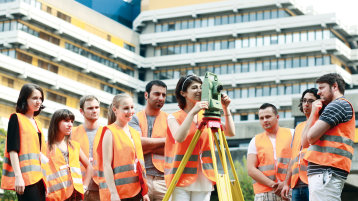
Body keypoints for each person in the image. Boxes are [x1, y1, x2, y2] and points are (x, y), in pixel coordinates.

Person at [165, 74, 235, 201]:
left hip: (204, 178)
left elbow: (230, 132)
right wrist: (192, 112)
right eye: (194, 88)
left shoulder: (207, 116)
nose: (199, 90)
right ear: (183, 93)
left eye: (201, 87)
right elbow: (179, 138)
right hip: (180, 178)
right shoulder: (173, 117)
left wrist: (226, 109)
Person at [301, 73, 355, 201]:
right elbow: (305, 143)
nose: (318, 93)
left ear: (334, 86)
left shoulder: (338, 105)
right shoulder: (331, 108)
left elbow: (311, 137)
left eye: (321, 88)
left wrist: (314, 112)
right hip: (325, 173)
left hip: (326, 172)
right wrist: (314, 113)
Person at [97, 93, 150, 201]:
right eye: (126, 108)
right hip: (118, 194)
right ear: (115, 109)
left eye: (132, 107)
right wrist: (113, 193)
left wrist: (144, 192)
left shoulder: (135, 133)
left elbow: (139, 164)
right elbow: (106, 165)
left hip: (136, 192)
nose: (130, 111)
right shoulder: (109, 132)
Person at [1, 83, 47, 201]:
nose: (38, 102)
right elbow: (12, 149)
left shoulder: (38, 124)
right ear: (24, 99)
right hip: (25, 179)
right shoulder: (16, 118)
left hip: (40, 179)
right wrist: (18, 177)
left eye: (40, 98)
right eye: (34, 98)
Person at [129, 80, 168, 201]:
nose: (161, 98)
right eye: (157, 94)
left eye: (164, 95)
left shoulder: (170, 119)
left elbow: (173, 148)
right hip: (140, 179)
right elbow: (137, 145)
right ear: (146, 95)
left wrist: (146, 144)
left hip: (164, 181)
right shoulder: (134, 118)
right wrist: (165, 141)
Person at [247, 103, 293, 201]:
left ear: (277, 117)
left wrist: (285, 183)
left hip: (289, 189)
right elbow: (251, 169)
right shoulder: (255, 140)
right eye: (261, 118)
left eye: (268, 117)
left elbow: (298, 160)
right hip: (264, 193)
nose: (265, 120)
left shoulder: (292, 134)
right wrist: (274, 185)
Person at [46, 109, 93, 201]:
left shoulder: (74, 146)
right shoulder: (46, 147)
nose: (70, 124)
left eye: (72, 121)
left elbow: (89, 167)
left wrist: (85, 187)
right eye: (66, 121)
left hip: (75, 195)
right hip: (56, 196)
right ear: (56, 123)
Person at [281, 88, 320, 201]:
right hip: (296, 185)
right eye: (304, 101)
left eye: (310, 101)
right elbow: (293, 158)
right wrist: (286, 184)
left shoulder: (321, 124)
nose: (306, 104)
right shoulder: (298, 128)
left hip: (312, 182)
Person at [72, 95, 103, 201]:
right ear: (81, 111)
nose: (94, 111)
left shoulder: (107, 133)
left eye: (96, 107)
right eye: (90, 108)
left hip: (100, 189)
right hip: (77, 189)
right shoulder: (71, 133)